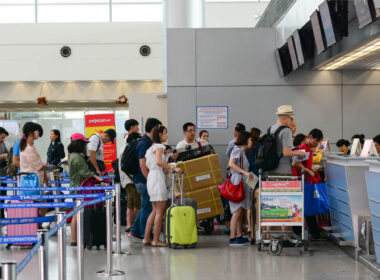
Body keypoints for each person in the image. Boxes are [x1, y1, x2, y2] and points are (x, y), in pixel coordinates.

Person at [143, 125, 182, 247]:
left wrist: (167, 166)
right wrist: (173, 167)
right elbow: (159, 162)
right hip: (157, 179)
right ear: (160, 135)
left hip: (152, 178)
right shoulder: (159, 146)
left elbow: (157, 164)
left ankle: (146, 238)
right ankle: (156, 239)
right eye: (165, 133)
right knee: (160, 211)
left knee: (154, 210)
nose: (167, 136)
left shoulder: (150, 148)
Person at [128, 117, 162, 242]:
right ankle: (144, 234)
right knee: (148, 207)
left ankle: (136, 231)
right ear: (154, 128)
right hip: (144, 180)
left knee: (145, 206)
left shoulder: (146, 142)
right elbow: (143, 165)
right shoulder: (144, 143)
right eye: (159, 128)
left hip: (143, 179)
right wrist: (150, 180)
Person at [68, 133, 102, 246]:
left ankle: (75, 239)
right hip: (79, 187)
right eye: (84, 144)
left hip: (75, 186)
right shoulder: (77, 157)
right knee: (76, 214)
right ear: (79, 144)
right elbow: (84, 172)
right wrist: (96, 176)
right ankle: (74, 240)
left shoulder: (73, 155)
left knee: (76, 213)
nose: (85, 146)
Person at [292, 129, 324, 239]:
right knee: (304, 207)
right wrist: (308, 170)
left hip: (307, 181)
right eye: (316, 141)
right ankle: (307, 232)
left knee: (306, 207)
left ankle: (310, 232)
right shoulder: (303, 149)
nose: (317, 144)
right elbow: (295, 163)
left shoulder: (308, 149)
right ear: (310, 137)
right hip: (303, 182)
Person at [228, 131, 254, 246]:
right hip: (237, 181)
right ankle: (232, 238)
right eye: (250, 140)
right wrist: (244, 172)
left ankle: (239, 235)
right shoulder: (237, 150)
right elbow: (231, 164)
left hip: (241, 181)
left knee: (239, 210)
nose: (251, 142)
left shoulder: (242, 151)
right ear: (245, 140)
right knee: (237, 211)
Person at [20, 122, 48, 217]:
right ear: (32, 132)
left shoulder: (26, 146)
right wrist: (45, 165)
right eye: (37, 131)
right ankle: (37, 226)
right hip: (34, 182)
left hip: (32, 181)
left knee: (38, 206)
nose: (38, 134)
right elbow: (38, 166)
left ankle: (37, 226)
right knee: (41, 205)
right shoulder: (29, 148)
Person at [267, 105, 305, 175]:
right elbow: (286, 152)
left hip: (270, 169)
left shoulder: (270, 129)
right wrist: (299, 153)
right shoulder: (286, 130)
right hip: (283, 171)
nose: (291, 120)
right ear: (285, 117)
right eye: (290, 118)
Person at [119, 119, 141, 232]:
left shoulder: (125, 144)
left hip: (126, 178)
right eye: (137, 126)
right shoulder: (130, 144)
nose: (138, 128)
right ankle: (136, 226)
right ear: (132, 127)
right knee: (137, 201)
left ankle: (129, 224)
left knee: (130, 202)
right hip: (130, 179)